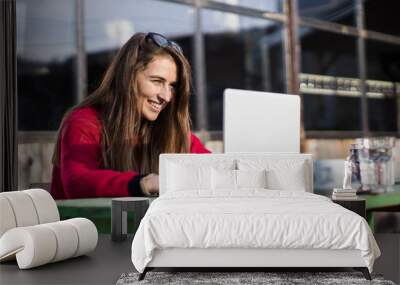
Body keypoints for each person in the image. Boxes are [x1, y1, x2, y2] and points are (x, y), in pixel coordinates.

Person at [50, 32, 210, 199]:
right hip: (88, 224)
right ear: (128, 77)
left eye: (172, 86)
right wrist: (143, 183)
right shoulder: (84, 122)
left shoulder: (169, 130)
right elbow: (77, 183)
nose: (166, 96)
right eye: (157, 81)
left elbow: (212, 168)